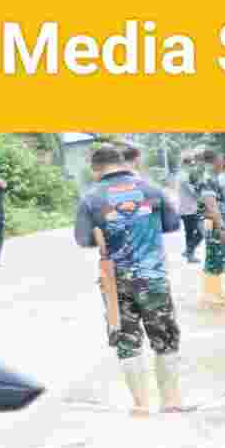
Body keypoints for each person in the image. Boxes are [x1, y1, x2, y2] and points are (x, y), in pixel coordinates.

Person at [73, 144, 189, 416]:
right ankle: (170, 401)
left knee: (126, 340)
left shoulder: (91, 197)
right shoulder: (152, 190)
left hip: (116, 280)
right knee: (165, 337)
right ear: (122, 162)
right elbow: (172, 225)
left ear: (95, 168)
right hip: (153, 276)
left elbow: (83, 239)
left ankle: (141, 404)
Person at [193, 148, 225, 307]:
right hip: (212, 222)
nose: (223, 163)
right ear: (215, 160)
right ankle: (210, 294)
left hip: (214, 221)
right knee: (214, 255)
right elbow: (211, 205)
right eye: (221, 159)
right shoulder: (207, 178)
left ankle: (214, 291)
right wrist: (222, 226)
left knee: (216, 255)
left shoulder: (212, 177)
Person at [176, 154, 203, 264]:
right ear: (185, 164)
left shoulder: (182, 175)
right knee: (201, 232)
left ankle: (189, 253)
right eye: (191, 164)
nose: (192, 167)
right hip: (189, 209)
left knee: (189, 233)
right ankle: (189, 252)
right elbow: (194, 193)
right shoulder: (184, 176)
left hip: (186, 208)